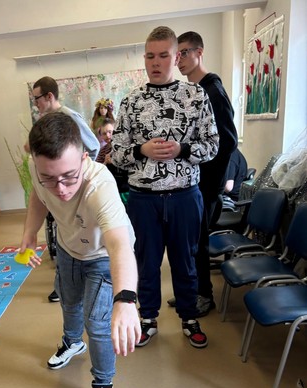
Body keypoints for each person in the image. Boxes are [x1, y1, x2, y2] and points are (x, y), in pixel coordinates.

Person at [19, 112, 140, 388]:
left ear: (84, 158)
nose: (60, 188)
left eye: (69, 176)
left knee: (97, 323)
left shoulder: (100, 185)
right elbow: (38, 197)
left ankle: (103, 386)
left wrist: (126, 300)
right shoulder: (37, 168)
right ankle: (72, 342)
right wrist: (30, 233)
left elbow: (119, 245)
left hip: (102, 254)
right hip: (69, 247)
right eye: (50, 177)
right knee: (69, 301)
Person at [111, 26, 219, 349]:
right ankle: (148, 319)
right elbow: (116, 153)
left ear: (176, 57)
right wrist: (141, 150)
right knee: (146, 262)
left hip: (185, 195)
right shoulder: (131, 102)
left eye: (163, 55)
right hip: (143, 199)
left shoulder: (196, 96)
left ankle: (189, 317)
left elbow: (213, 145)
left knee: (186, 261)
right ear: (144, 58)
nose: (155, 62)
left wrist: (182, 149)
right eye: (150, 56)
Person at [175, 31, 238, 317]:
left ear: (199, 52)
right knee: (189, 242)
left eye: (184, 53)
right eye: (177, 55)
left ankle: (204, 296)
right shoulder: (194, 91)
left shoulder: (213, 90)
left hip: (206, 184)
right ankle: (192, 292)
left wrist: (209, 179)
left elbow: (228, 141)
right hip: (194, 183)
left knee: (198, 243)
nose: (179, 60)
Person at [27, 76, 101, 303]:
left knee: (83, 238)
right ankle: (63, 286)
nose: (35, 103)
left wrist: (76, 176)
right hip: (60, 198)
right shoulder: (45, 121)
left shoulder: (69, 117)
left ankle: (74, 286)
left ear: (49, 96)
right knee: (64, 235)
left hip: (78, 194)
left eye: (37, 98)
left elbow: (93, 146)